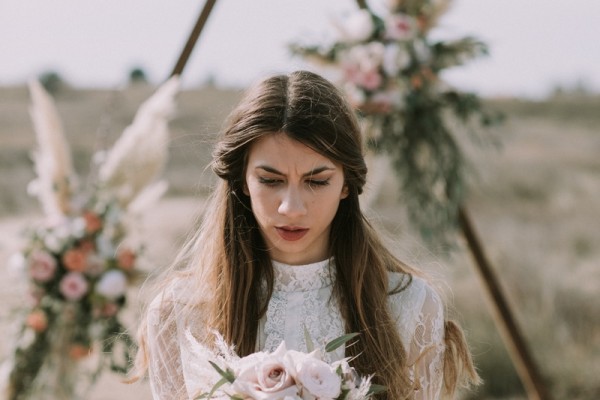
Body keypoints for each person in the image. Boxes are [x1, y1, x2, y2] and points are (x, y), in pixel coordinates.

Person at [132, 70, 480, 399]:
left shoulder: (409, 306)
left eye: (316, 181)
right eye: (271, 180)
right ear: (242, 181)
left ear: (347, 184)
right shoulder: (178, 312)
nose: (292, 208)